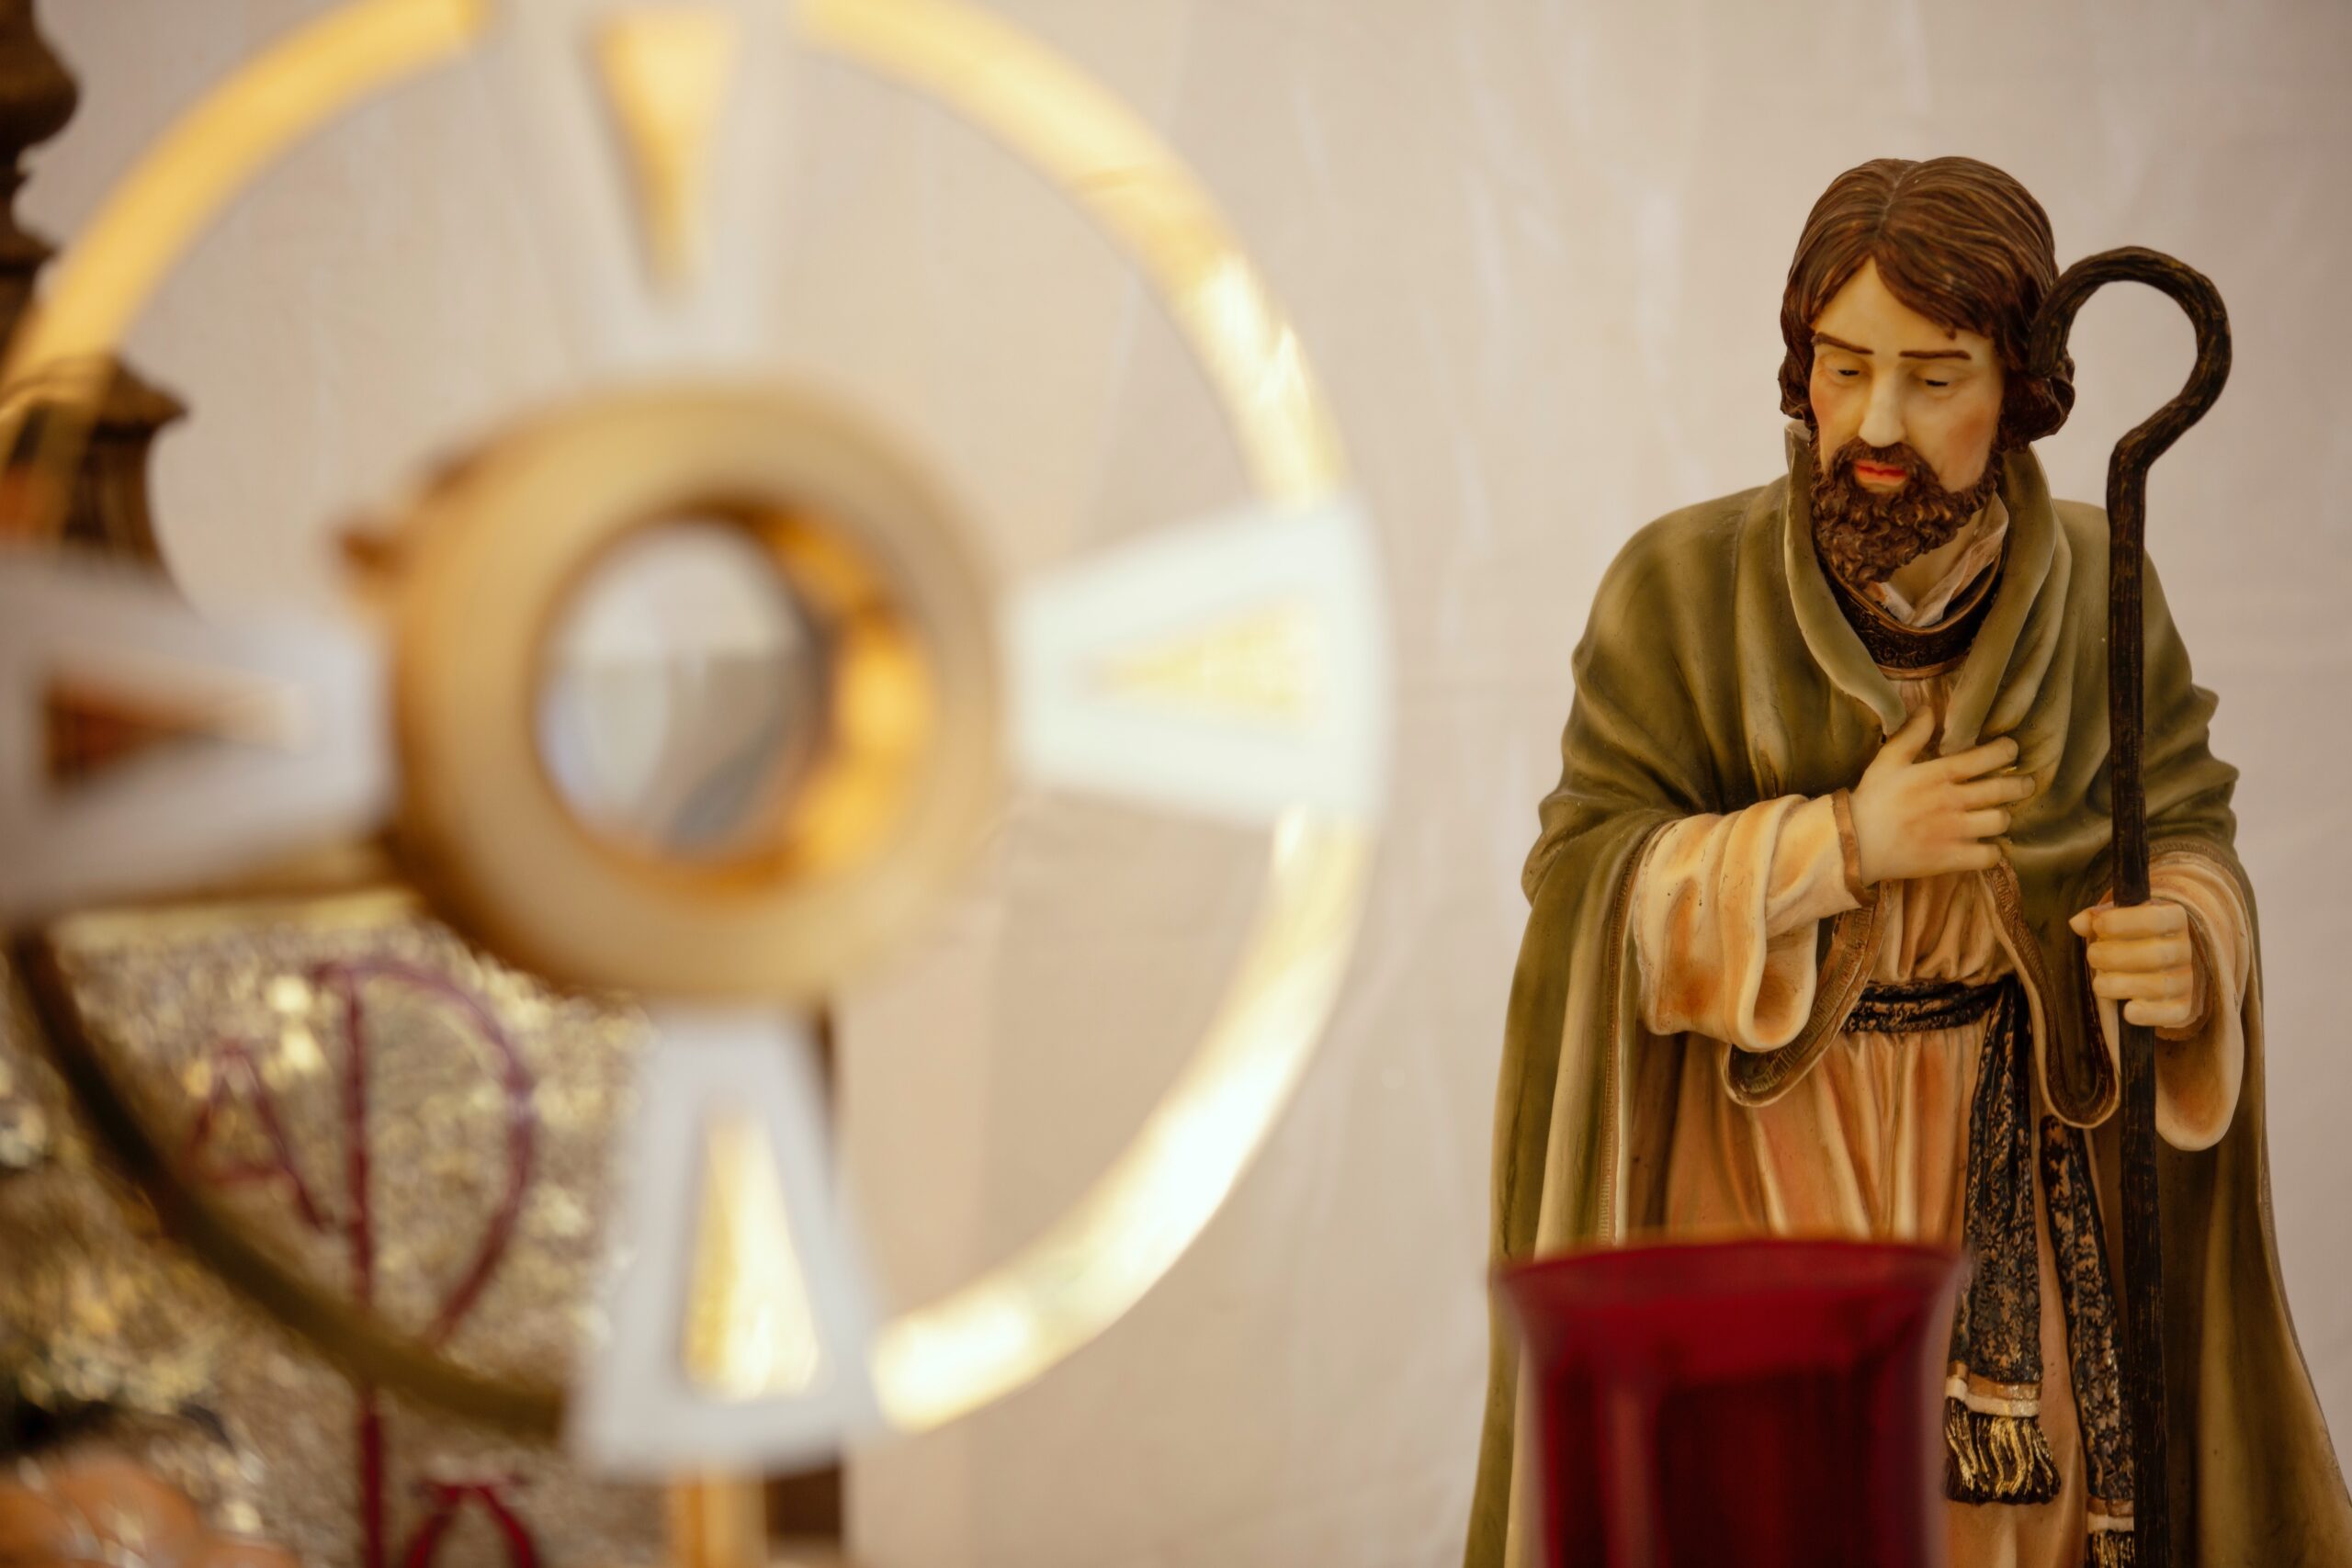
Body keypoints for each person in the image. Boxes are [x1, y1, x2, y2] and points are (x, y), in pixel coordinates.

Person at [1466, 156, 2352, 1568]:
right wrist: (1839, 846)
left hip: (2008, 1187)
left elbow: (2183, 823)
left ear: (2021, 387)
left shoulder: (2097, 587)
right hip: (1763, 1173)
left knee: (2006, 1524)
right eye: (1843, 368)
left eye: (1933, 378)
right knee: (1771, 1499)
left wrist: (2185, 941)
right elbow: (1588, 887)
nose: (1877, 423)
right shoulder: (1680, 589)